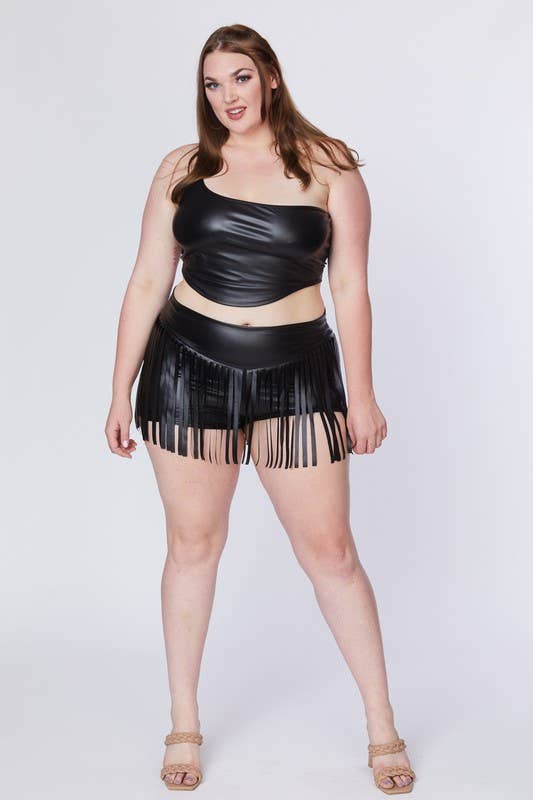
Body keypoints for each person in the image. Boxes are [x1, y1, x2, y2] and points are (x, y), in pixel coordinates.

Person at [105, 23, 416, 796]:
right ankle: (183, 724)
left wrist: (362, 394)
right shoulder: (183, 167)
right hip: (186, 369)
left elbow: (350, 286)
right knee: (192, 545)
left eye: (240, 77)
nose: (227, 97)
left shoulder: (328, 165)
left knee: (331, 554)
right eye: (212, 84)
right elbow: (147, 278)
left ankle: (381, 726)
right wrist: (118, 388)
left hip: (297, 373)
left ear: (270, 77)